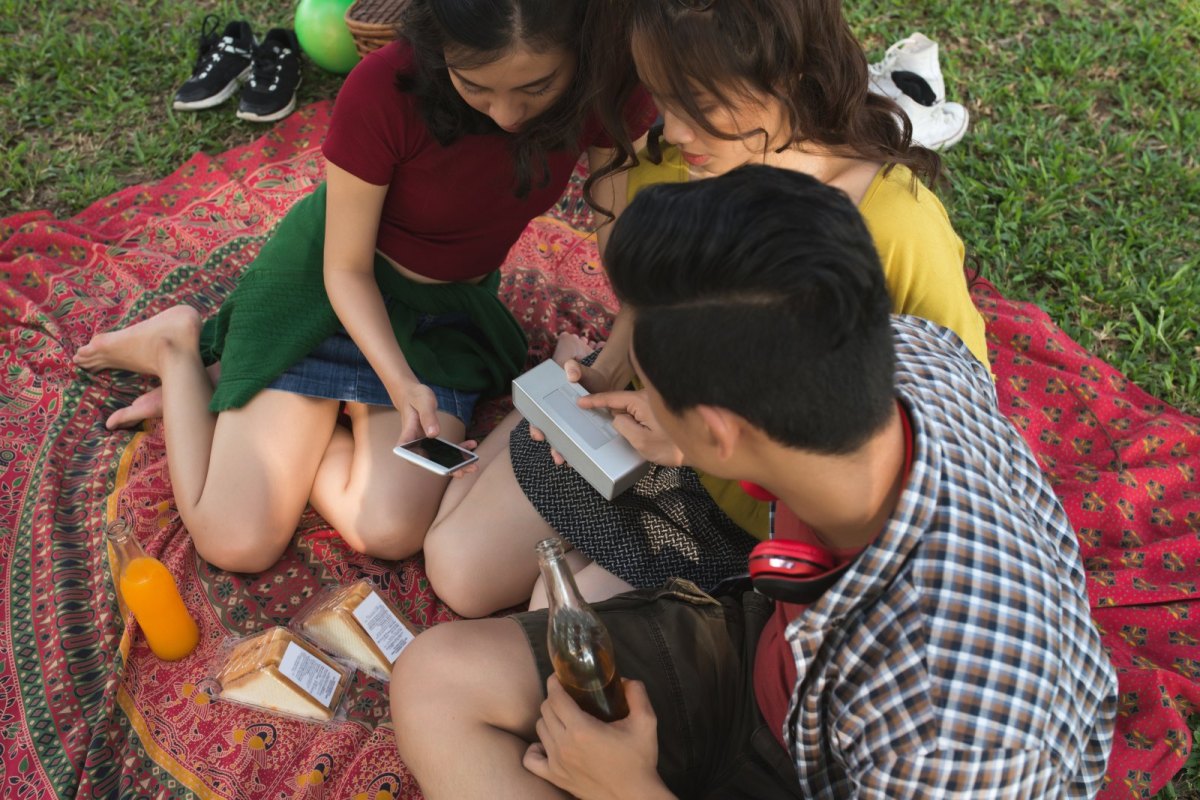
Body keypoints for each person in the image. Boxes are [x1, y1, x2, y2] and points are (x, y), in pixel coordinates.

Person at [390, 165, 1117, 799]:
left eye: (653, 380)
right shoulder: (909, 350)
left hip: (845, 760)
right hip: (781, 667)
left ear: (722, 427)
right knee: (437, 679)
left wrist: (629, 789)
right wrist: (691, 445)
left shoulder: (953, 731)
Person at [422, 0, 990, 618]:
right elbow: (649, 295)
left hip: (766, 502)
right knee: (458, 573)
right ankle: (546, 404)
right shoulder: (682, 160)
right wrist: (608, 370)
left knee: (554, 612)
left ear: (790, 75)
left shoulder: (895, 226)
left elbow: (957, 427)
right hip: (647, 419)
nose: (675, 129)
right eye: (662, 97)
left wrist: (701, 444)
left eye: (703, 105)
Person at [73, 0, 652, 572]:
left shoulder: (605, 83)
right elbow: (343, 269)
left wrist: (620, 352)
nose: (507, 114)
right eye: (475, 86)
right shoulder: (385, 86)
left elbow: (626, 248)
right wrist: (400, 386)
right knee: (236, 542)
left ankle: (254, 402)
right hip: (322, 298)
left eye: (535, 87)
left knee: (390, 530)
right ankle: (176, 347)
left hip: (442, 318)